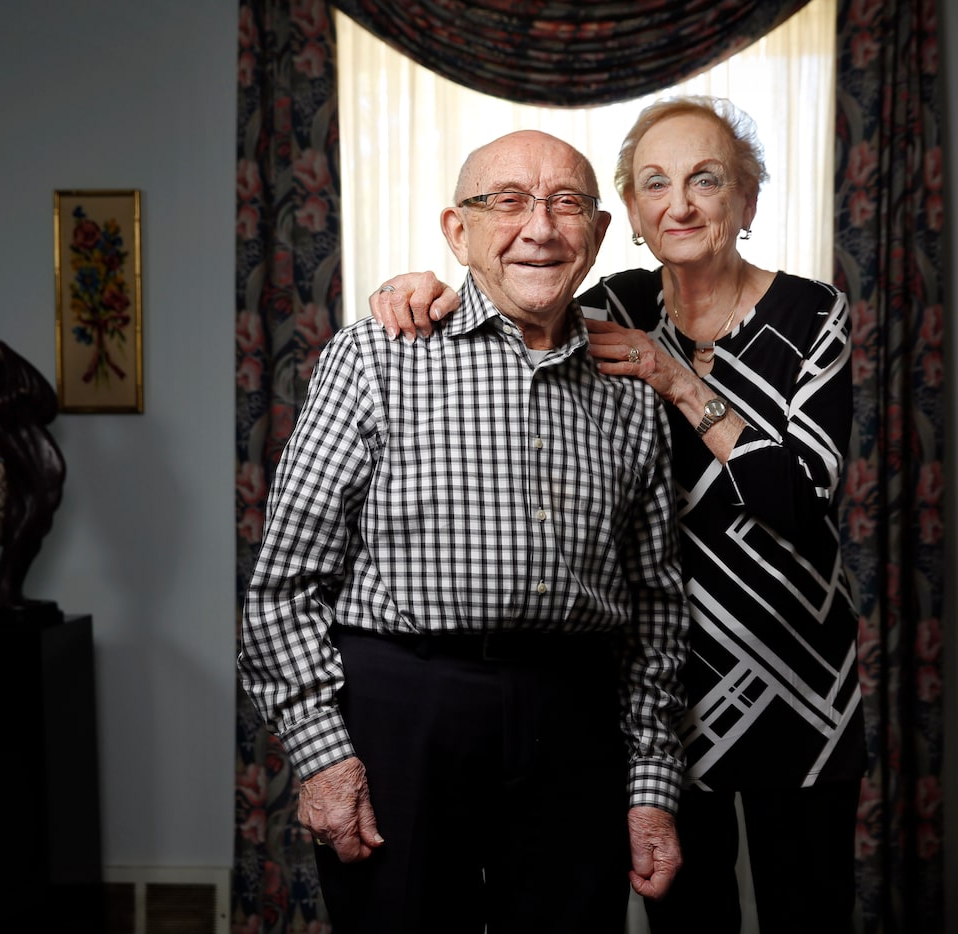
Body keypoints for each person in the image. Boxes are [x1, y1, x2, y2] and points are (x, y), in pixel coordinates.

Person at [372, 96, 867, 934]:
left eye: (705, 180)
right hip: (652, 688)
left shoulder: (810, 314)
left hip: (792, 679)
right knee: (682, 914)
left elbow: (795, 499)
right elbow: (506, 301)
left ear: (745, 202)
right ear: (628, 216)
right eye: (654, 184)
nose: (679, 203)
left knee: (806, 910)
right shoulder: (610, 302)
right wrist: (414, 289)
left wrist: (673, 378)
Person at [238, 129, 689, 934]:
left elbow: (654, 609)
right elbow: (285, 584)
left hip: (573, 716)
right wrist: (323, 755)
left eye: (565, 204)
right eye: (508, 201)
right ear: (457, 230)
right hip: (404, 711)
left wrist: (650, 785)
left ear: (597, 233)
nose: (539, 228)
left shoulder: (631, 388)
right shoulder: (378, 353)